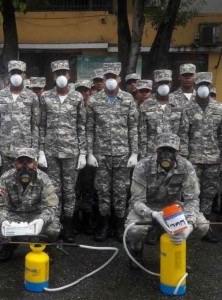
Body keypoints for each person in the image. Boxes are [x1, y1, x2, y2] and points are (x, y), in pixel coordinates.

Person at [125, 132, 209, 269]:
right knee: (134, 230)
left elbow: (192, 198)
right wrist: (152, 214)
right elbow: (136, 200)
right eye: (162, 150)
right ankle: (136, 249)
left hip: (172, 207)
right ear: (156, 150)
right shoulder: (142, 166)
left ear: (177, 152)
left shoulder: (186, 167)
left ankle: (179, 249)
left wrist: (189, 224)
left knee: (202, 225)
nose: (166, 154)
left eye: (171, 151)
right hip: (147, 207)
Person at [86, 62, 139, 242]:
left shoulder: (128, 99)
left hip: (123, 154)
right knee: (102, 190)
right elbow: (89, 128)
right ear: (103, 79)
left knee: (121, 191)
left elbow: (133, 127)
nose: (110, 80)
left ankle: (118, 225)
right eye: (106, 77)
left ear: (119, 78)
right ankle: (103, 225)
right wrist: (89, 153)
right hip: (101, 155)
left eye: (113, 77)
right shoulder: (94, 100)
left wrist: (134, 153)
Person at [0, 148, 61, 262]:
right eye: (20, 162)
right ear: (15, 163)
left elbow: (52, 206)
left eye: (28, 162)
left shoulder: (44, 178)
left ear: (35, 164)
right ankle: (9, 245)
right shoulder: (5, 178)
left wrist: (41, 221)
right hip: (13, 216)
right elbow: (0, 206)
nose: (24, 166)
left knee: (53, 229)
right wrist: (4, 221)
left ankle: (44, 247)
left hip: (36, 216)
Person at [39, 60, 87, 243]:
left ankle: (68, 225)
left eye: (64, 72)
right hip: (51, 152)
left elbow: (81, 126)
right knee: (54, 190)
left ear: (69, 75)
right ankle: (55, 224)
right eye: (57, 73)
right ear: (53, 76)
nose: (61, 76)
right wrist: (41, 151)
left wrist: (83, 152)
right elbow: (41, 126)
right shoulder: (45, 97)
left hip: (71, 152)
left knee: (69, 190)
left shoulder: (77, 98)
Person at [178, 72, 222, 243]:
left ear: (211, 87)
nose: (203, 88)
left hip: (213, 160)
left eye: (207, 85)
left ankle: (206, 227)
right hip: (193, 160)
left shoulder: (218, 109)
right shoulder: (187, 109)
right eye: (200, 84)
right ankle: (189, 224)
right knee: (191, 193)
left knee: (209, 194)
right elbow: (183, 135)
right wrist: (185, 161)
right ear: (195, 87)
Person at [0, 60, 40, 174]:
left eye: (19, 72)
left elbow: (35, 126)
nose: (16, 76)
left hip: (25, 152)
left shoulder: (32, 96)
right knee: (4, 183)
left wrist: (35, 151)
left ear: (24, 75)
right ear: (9, 75)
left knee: (26, 182)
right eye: (13, 72)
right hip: (5, 151)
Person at [139, 69, 183, 158]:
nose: (164, 86)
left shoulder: (179, 105)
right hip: (152, 153)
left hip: (174, 153)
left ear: (171, 84)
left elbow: (183, 132)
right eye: (160, 83)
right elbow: (142, 134)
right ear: (155, 85)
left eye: (166, 82)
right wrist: (142, 156)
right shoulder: (145, 106)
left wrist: (183, 154)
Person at [74, 80, 97, 235]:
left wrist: (90, 153)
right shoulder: (73, 105)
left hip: (92, 154)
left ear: (90, 91)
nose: (83, 94)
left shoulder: (94, 107)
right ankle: (75, 220)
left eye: (86, 90)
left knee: (89, 188)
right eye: (80, 90)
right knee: (75, 188)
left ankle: (88, 220)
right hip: (74, 153)